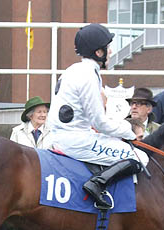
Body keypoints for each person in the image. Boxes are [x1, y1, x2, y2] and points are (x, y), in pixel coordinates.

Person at [46, 23, 148, 209]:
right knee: (140, 157)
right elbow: (99, 122)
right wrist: (128, 130)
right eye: (107, 48)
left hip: (64, 135)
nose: (110, 52)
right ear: (98, 53)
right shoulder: (88, 75)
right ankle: (97, 184)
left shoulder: (74, 69)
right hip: (74, 140)